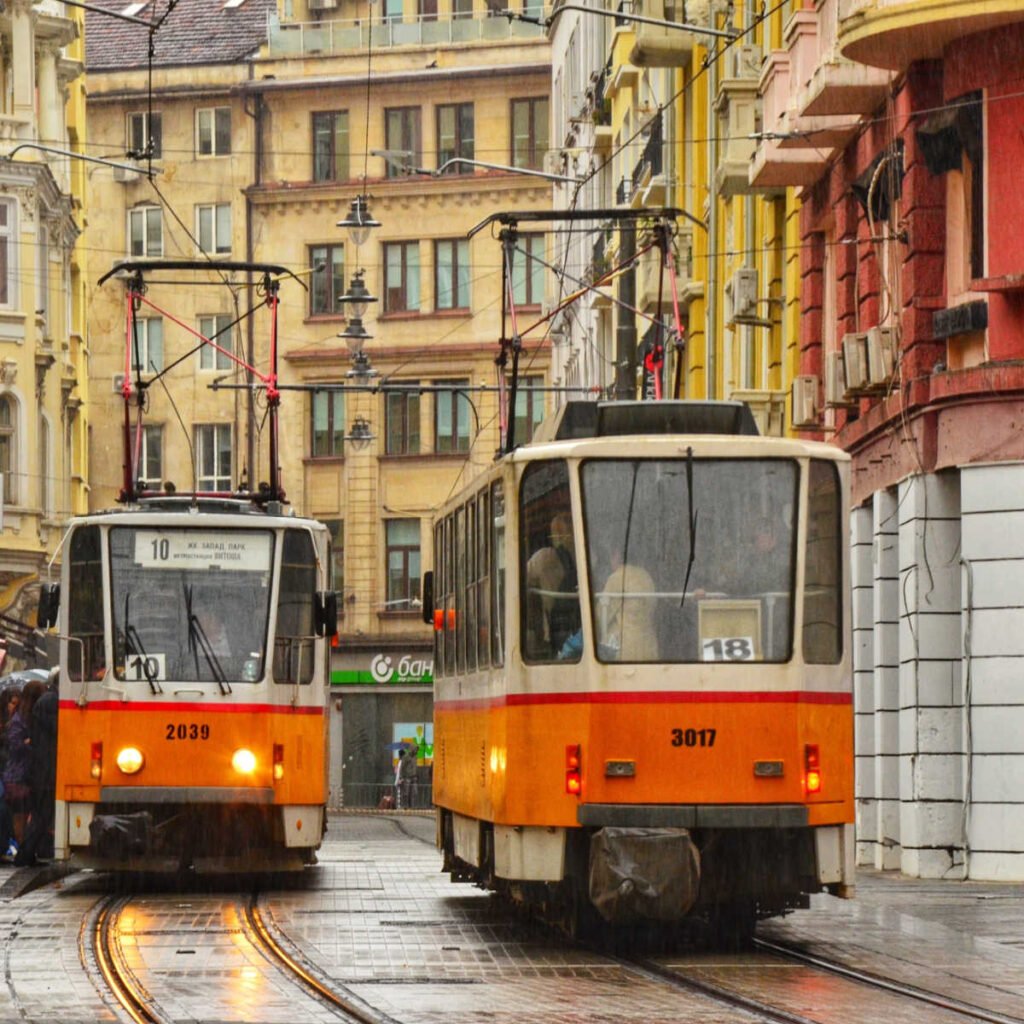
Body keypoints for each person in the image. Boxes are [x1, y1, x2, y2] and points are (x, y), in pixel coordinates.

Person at [525, 512, 581, 657]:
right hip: (581, 626)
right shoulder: (585, 556)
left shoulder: (543, 558)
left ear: (555, 536)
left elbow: (522, 580)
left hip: (553, 629)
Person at [16, 677, 58, 866]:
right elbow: (55, 730)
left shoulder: (46, 701)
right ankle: (25, 854)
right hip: (45, 770)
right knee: (42, 814)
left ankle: (27, 853)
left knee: (41, 814)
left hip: (42, 769)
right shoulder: (50, 701)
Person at [2, 681, 45, 847]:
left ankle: (23, 848)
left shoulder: (28, 717)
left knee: (25, 816)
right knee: (19, 816)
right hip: (18, 777)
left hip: (26, 775)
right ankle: (21, 849)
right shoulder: (19, 719)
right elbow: (15, 745)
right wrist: (29, 743)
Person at [599, 548, 658, 660]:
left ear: (616, 556)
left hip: (626, 646)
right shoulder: (645, 576)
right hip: (649, 643)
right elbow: (653, 606)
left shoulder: (617, 577)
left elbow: (602, 616)